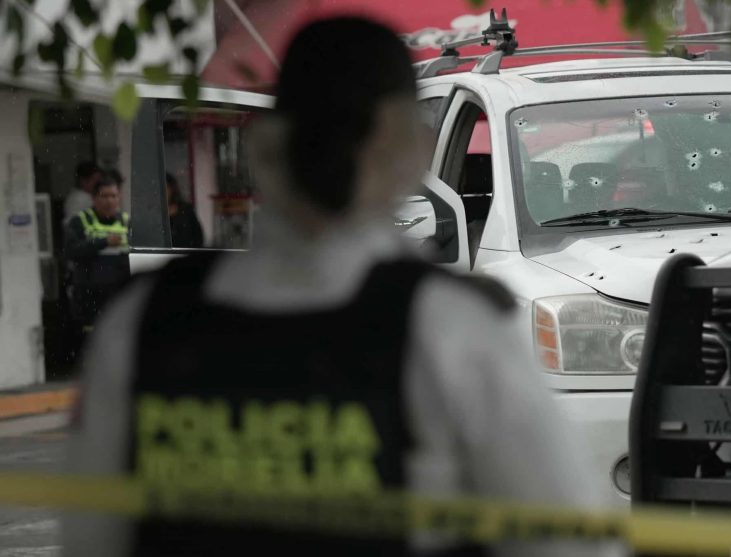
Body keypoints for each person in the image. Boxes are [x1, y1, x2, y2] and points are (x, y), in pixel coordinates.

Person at [65, 17, 612, 557]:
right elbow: (565, 540)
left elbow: (94, 537)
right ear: (411, 151)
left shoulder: (141, 322)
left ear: (262, 149)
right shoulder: (451, 330)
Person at [63, 173, 130, 332]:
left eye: (113, 196)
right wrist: (104, 242)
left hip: (119, 296)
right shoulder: (80, 221)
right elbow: (71, 251)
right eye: (104, 196)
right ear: (94, 198)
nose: (109, 201)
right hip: (89, 297)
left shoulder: (127, 222)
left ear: (119, 197)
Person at [166, 173, 204, 247]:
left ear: (172, 189)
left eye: (166, 188)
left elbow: (198, 236)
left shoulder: (186, 209)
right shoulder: (154, 213)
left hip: (186, 250)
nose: (164, 192)